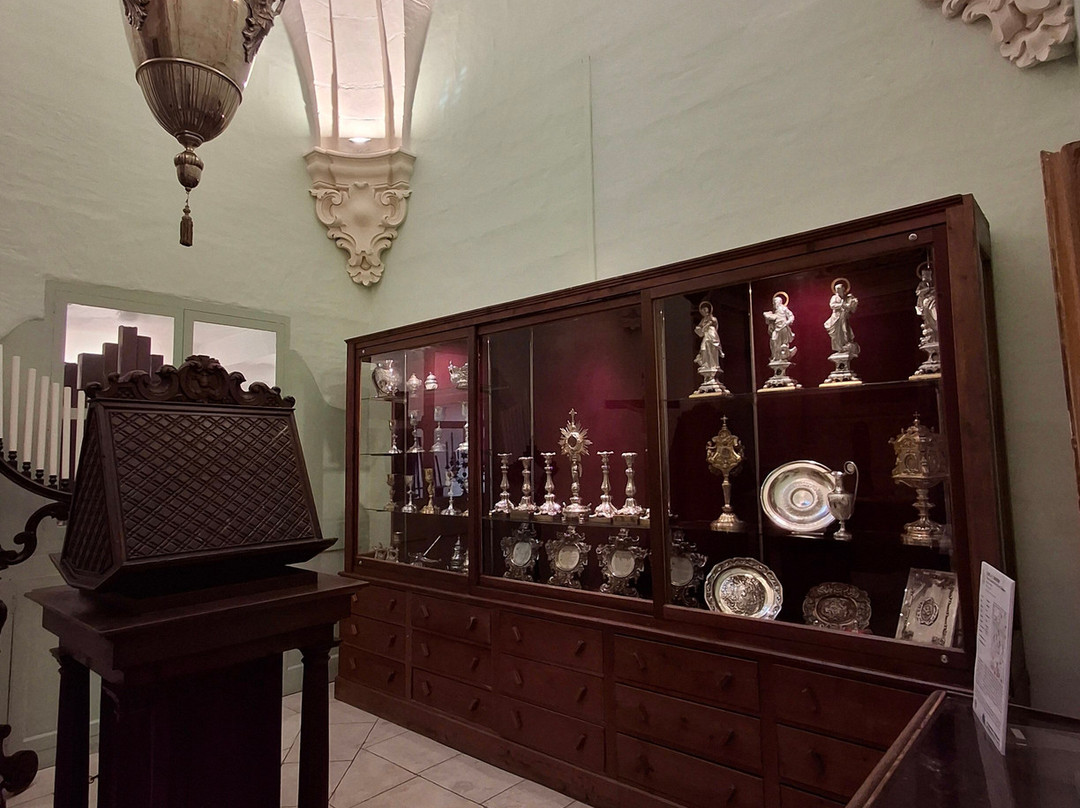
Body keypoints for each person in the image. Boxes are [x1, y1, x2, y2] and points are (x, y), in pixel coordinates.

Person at [824, 279, 859, 356]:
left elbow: (851, 307)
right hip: (836, 318)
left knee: (845, 331)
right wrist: (841, 305)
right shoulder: (834, 297)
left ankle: (846, 345)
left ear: (843, 289)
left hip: (844, 317)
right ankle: (839, 347)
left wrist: (852, 303)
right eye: (836, 289)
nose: (837, 291)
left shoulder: (846, 298)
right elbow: (832, 305)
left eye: (839, 289)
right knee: (837, 333)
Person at [764, 293, 796, 361]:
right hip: (777, 328)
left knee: (784, 343)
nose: (774, 303)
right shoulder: (774, 311)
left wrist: (787, 322)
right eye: (773, 302)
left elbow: (791, 316)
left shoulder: (784, 309)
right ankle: (775, 356)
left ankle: (784, 356)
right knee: (773, 340)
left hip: (783, 327)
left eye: (775, 302)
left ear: (779, 302)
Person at [694, 301, 722, 373]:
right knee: (703, 348)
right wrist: (699, 329)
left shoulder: (713, 318)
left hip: (712, 334)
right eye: (703, 310)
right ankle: (706, 364)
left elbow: (715, 325)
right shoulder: (703, 320)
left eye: (705, 310)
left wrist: (707, 326)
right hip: (706, 335)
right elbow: (700, 327)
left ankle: (713, 365)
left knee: (712, 348)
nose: (704, 312)